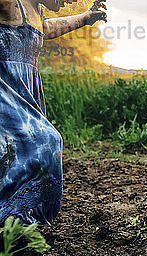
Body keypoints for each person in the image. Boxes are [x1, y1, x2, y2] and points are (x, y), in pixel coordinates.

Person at [0, 0, 107, 225]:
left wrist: (86, 18)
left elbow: (46, 29)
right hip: (5, 87)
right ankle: (15, 218)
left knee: (13, 154)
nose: (68, 1)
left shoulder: (36, 11)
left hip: (25, 89)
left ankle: (16, 223)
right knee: (45, 142)